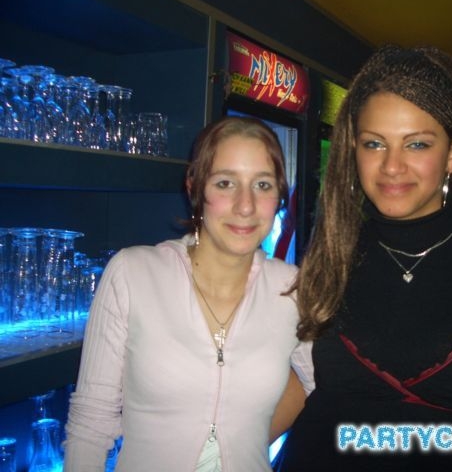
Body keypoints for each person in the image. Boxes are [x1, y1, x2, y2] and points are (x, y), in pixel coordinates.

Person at [277, 45, 452, 471]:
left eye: (416, 144)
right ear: (354, 149)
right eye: (374, 143)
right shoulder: (332, 249)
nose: (392, 166)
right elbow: (302, 382)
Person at [63, 116, 312, 471]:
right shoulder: (133, 273)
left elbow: (327, 386)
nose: (245, 205)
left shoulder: (292, 290)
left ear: (279, 196)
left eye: (262, 185)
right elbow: (91, 420)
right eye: (225, 183)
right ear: (195, 188)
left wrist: (249, 443)